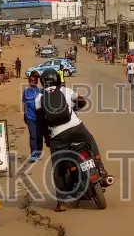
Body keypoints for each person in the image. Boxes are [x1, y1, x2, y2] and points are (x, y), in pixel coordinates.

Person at [37, 70, 107, 205]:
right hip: (77, 128)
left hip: (58, 136)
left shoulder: (38, 99)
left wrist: (47, 140)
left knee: (58, 167)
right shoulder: (66, 91)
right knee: (90, 141)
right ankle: (100, 167)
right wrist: (73, 109)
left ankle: (61, 203)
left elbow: (41, 123)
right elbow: (83, 102)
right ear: (57, 79)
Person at [22, 69, 45, 160]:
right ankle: (33, 154)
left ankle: (39, 152)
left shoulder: (41, 91)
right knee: (33, 136)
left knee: (39, 136)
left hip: (40, 118)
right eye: (30, 81)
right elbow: (25, 104)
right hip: (30, 117)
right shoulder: (26, 91)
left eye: (34, 81)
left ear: (37, 81)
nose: (32, 82)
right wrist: (25, 115)